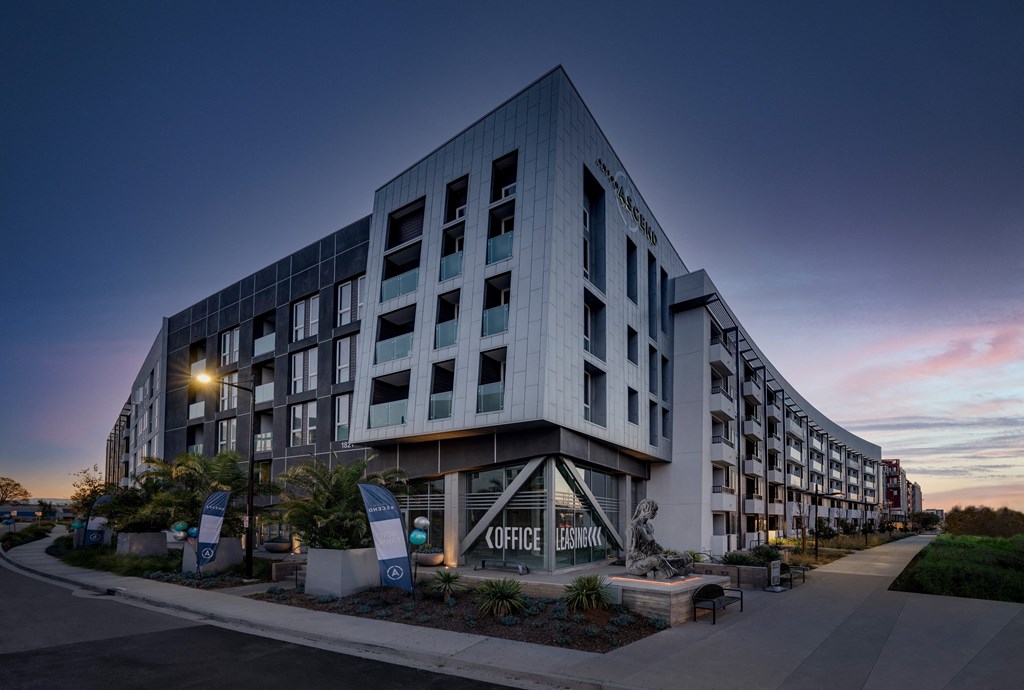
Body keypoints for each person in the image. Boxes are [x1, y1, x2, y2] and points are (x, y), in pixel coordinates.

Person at [625, 499, 693, 578]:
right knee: (658, 559)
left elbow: (653, 549)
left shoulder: (649, 526)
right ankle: (677, 572)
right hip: (635, 564)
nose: (656, 513)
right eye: (653, 511)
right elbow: (632, 551)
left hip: (651, 560)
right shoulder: (633, 527)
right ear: (645, 510)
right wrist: (652, 558)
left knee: (685, 558)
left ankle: (659, 573)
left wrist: (665, 556)